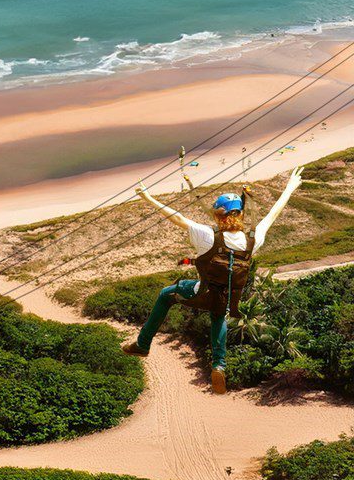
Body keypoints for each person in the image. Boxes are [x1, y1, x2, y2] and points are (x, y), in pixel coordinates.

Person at [122, 166, 304, 394]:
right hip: (227, 298)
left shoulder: (207, 235)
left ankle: (142, 344)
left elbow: (176, 217)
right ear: (241, 216)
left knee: (166, 295)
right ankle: (219, 365)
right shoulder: (253, 240)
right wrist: (289, 188)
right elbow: (273, 215)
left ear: (219, 215)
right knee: (219, 315)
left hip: (201, 292)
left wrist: (147, 196)